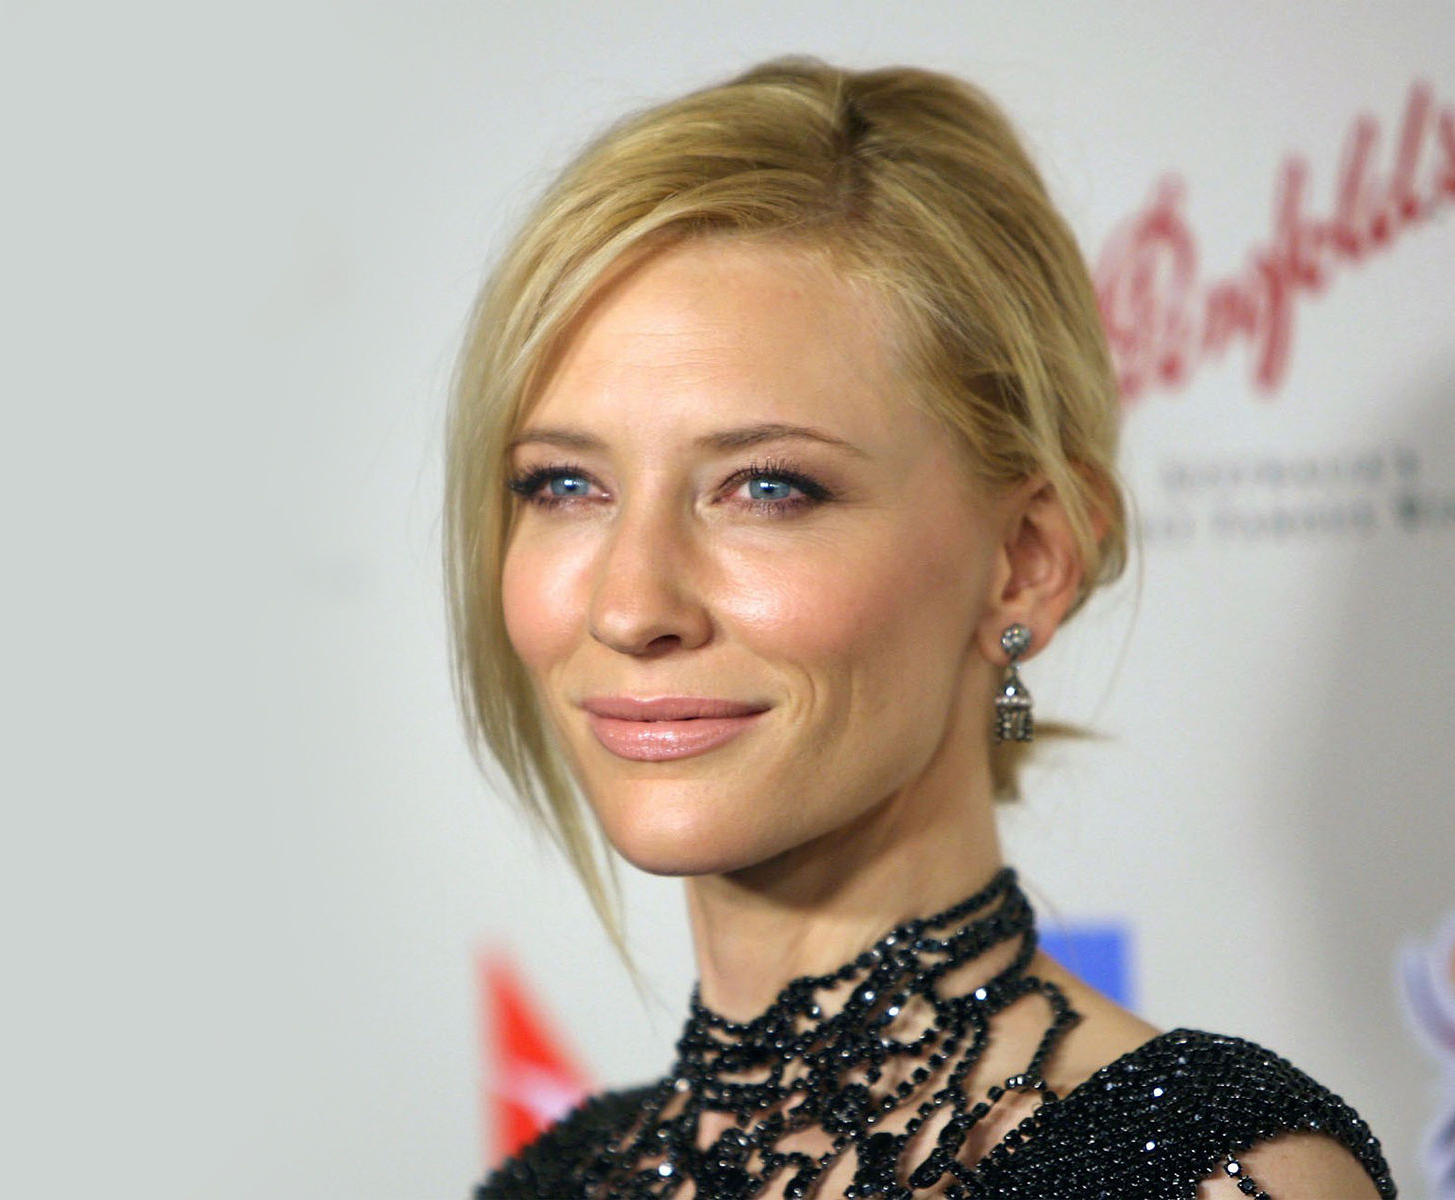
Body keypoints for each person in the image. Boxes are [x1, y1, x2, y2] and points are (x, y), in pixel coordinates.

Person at [443, 57, 1396, 1199]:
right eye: (563, 485)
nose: (630, 605)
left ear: (1026, 563)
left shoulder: (1213, 1178)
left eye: (767, 487)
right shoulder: (550, 1184)